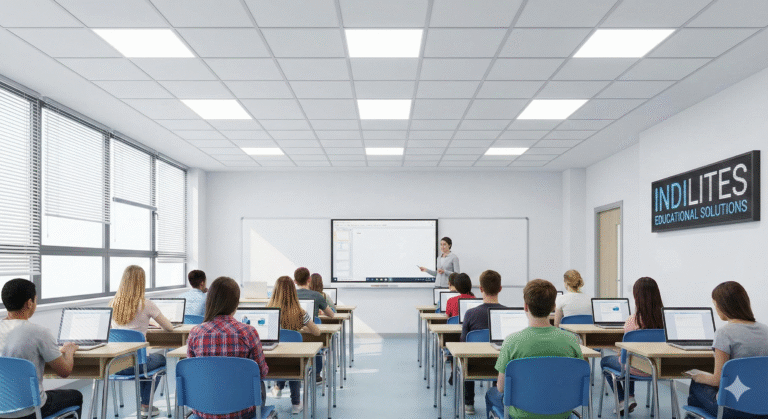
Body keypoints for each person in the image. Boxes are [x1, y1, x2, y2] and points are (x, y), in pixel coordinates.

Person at [485, 279, 583, 419]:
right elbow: (578, 381)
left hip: (522, 414)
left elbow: (501, 388)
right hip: (561, 412)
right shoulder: (572, 340)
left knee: (491, 394)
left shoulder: (512, 342)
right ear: (553, 307)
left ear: (525, 306)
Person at [186, 276, 268, 419]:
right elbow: (261, 372)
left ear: (209, 300)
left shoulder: (195, 333)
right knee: (258, 384)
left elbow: (193, 375)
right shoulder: (248, 332)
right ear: (236, 303)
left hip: (204, 410)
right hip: (241, 411)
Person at [0, 279, 83, 419]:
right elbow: (65, 371)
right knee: (76, 396)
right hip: (30, 410)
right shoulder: (39, 332)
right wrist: (69, 351)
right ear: (29, 303)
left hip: (2, 409)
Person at [687, 281, 768, 419]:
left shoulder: (724, 333)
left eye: (715, 305)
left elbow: (717, 380)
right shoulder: (766, 331)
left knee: (696, 384)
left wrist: (698, 375)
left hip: (732, 409)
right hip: (763, 409)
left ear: (723, 306)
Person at [110, 265, 174, 417]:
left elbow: (121, 330)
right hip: (138, 365)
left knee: (143, 359)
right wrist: (154, 323)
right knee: (158, 359)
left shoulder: (113, 303)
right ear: (141, 282)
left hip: (115, 365)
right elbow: (169, 328)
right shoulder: (145, 304)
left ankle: (145, 405)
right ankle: (146, 404)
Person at [601, 277, 664, 414]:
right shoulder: (664, 320)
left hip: (634, 367)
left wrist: (618, 351)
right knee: (631, 359)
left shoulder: (632, 320)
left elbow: (626, 352)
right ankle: (629, 397)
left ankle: (624, 399)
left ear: (637, 297)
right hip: (658, 368)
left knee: (606, 361)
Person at [268, 276, 321, 414]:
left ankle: (278, 386)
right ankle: (296, 404)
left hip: (273, 359)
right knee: (296, 364)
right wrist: (301, 328)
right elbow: (316, 332)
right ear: (293, 291)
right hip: (294, 360)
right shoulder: (300, 312)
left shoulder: (269, 311)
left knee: (282, 361)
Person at [460, 270, 505, 416]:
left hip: (474, 364)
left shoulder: (470, 313)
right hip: (500, 366)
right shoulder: (506, 313)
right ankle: (498, 398)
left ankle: (469, 403)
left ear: (480, 289)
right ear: (500, 289)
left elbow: (463, 342)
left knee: (467, 358)